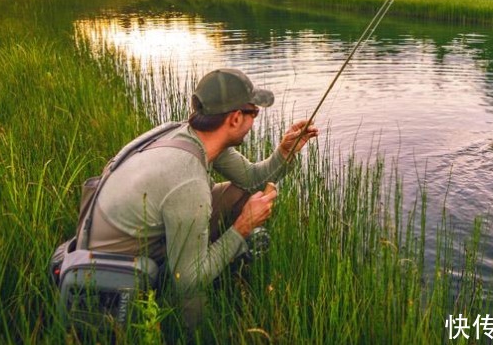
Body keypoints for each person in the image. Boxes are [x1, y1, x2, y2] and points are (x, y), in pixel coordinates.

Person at [85, 68, 318, 331]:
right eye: (254, 112)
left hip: (135, 234)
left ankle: (218, 268)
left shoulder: (192, 136)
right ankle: (196, 331)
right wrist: (242, 227)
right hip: (120, 267)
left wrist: (284, 152)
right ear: (235, 118)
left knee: (240, 193)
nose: (255, 120)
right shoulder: (188, 180)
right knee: (193, 289)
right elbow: (187, 280)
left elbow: (251, 180)